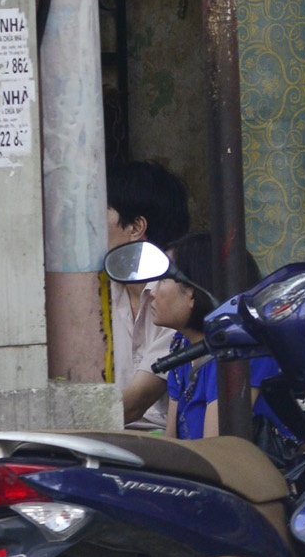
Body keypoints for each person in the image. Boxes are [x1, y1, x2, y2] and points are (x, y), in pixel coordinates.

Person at [148, 233, 289, 456]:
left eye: (162, 280)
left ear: (192, 293)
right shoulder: (181, 344)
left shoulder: (242, 350)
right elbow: (172, 445)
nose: (152, 293)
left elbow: (215, 455)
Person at [106, 158, 190, 428]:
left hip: (159, 448)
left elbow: (135, 402)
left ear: (135, 228)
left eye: (99, 213)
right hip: (105, 438)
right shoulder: (100, 291)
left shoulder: (178, 297)